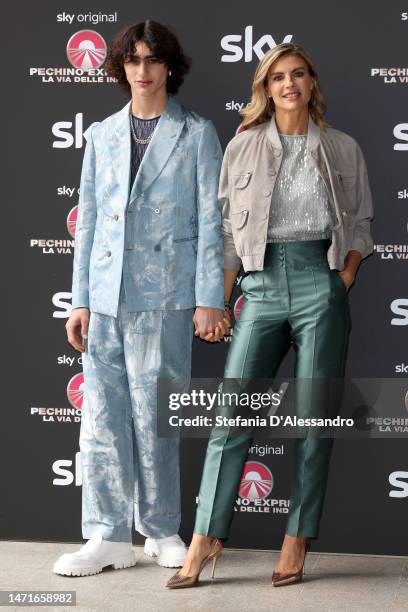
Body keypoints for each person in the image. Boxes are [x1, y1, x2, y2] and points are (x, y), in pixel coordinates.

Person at [166, 41, 374, 589]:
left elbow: (361, 224)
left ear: (311, 83)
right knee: (232, 414)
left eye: (298, 74)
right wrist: (225, 296)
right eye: (278, 76)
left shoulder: (343, 147)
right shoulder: (243, 147)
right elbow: (229, 233)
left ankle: (297, 536)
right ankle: (207, 535)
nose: (289, 84)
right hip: (259, 288)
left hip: (319, 282)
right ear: (265, 88)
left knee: (313, 419)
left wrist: (345, 275)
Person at [53, 19, 229, 577]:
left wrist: (209, 298)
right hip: (105, 298)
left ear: (169, 67)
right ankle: (104, 536)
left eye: (154, 61)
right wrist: (79, 298)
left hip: (167, 297)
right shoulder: (102, 135)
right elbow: (88, 226)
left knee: (157, 419)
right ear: (122, 67)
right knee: (101, 421)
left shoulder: (197, 133)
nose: (144, 71)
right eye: (134, 60)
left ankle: (159, 529)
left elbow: (211, 223)